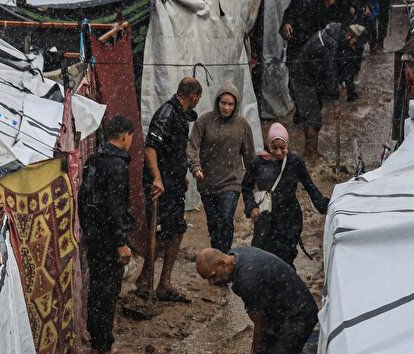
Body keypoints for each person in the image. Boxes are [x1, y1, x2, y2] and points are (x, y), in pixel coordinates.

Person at [78, 115, 136, 354]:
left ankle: (97, 343)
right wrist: (120, 241)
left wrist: (92, 233)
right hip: (108, 241)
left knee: (97, 291)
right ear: (124, 136)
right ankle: (105, 350)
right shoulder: (116, 166)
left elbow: (85, 202)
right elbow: (115, 207)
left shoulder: (94, 161)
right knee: (107, 293)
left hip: (94, 239)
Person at [138, 77, 202, 303]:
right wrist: (157, 178)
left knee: (174, 231)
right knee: (164, 234)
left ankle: (160, 282)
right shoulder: (166, 114)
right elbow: (150, 149)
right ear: (194, 96)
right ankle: (148, 281)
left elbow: (173, 151)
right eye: (197, 99)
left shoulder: (180, 115)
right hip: (160, 186)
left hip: (172, 184)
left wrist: (180, 175)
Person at [241, 123, 329, 265]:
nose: (278, 152)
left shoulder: (294, 162)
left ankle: (284, 284)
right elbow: (246, 186)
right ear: (268, 145)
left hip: (289, 217)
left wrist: (323, 205)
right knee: (261, 255)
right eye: (274, 147)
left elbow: (309, 185)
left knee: (286, 258)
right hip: (266, 217)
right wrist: (251, 207)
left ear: (288, 145)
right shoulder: (258, 162)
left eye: (282, 148)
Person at [186, 81, 255, 254]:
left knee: (225, 219)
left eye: (230, 104)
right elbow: (192, 147)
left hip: (231, 182)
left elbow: (249, 155)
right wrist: (195, 168)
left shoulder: (242, 125)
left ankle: (224, 257)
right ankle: (217, 256)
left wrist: (254, 182)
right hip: (207, 181)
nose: (226, 107)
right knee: (213, 222)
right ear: (217, 102)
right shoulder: (204, 121)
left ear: (236, 105)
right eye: (223, 103)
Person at [288, 22, 366, 160]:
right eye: (354, 43)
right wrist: (336, 102)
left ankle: (311, 151)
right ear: (349, 35)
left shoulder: (335, 35)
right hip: (302, 77)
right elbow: (330, 71)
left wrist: (338, 82)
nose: (353, 47)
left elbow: (333, 68)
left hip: (312, 75)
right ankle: (310, 155)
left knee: (314, 114)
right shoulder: (331, 43)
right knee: (313, 118)